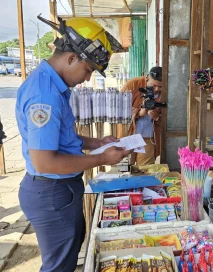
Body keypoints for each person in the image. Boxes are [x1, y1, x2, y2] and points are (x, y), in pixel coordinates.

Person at [16, 16, 131, 272]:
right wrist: (102, 158)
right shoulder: (44, 95)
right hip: (51, 190)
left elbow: (63, 140)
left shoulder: (53, 87)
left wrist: (98, 142)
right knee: (59, 266)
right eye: (88, 70)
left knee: (68, 256)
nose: (87, 79)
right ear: (71, 58)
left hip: (57, 189)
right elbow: (45, 160)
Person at [121, 66, 163, 166]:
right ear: (147, 78)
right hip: (128, 135)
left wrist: (156, 116)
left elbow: (170, 116)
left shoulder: (165, 92)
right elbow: (119, 108)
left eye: (160, 87)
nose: (156, 89)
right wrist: (139, 113)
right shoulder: (133, 84)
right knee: (125, 167)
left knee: (145, 169)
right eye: (154, 86)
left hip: (148, 137)